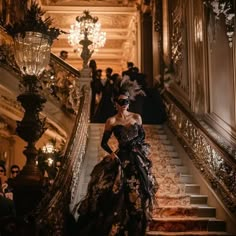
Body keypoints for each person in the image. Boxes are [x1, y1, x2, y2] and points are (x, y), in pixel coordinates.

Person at [74, 76, 158, 236]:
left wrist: (137, 147)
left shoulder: (136, 117)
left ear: (129, 102)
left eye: (125, 102)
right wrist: (112, 153)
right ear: (115, 103)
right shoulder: (111, 121)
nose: (123, 105)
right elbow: (103, 143)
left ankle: (135, 225)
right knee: (114, 191)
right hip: (121, 157)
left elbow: (142, 137)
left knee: (139, 190)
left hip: (136, 157)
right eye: (120, 102)